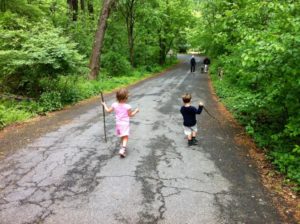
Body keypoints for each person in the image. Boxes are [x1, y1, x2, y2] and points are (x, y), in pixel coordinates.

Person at [101, 88, 139, 157]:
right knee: (126, 136)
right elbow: (131, 115)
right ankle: (123, 149)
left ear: (117, 97)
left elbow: (108, 111)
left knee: (122, 135)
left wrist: (104, 105)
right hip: (125, 124)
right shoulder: (128, 106)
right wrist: (136, 111)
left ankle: (122, 146)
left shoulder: (114, 105)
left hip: (118, 124)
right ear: (126, 98)